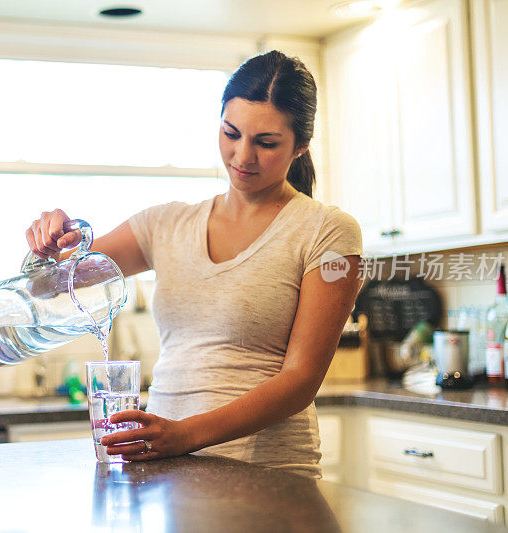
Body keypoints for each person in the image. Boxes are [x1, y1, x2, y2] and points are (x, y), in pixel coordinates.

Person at [25, 50, 362, 479]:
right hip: (168, 471)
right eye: (231, 133)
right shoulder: (164, 224)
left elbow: (301, 380)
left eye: (266, 143)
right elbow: (49, 287)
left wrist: (185, 435)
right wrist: (47, 246)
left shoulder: (328, 232)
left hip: (269, 476)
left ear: (301, 146)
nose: (243, 156)